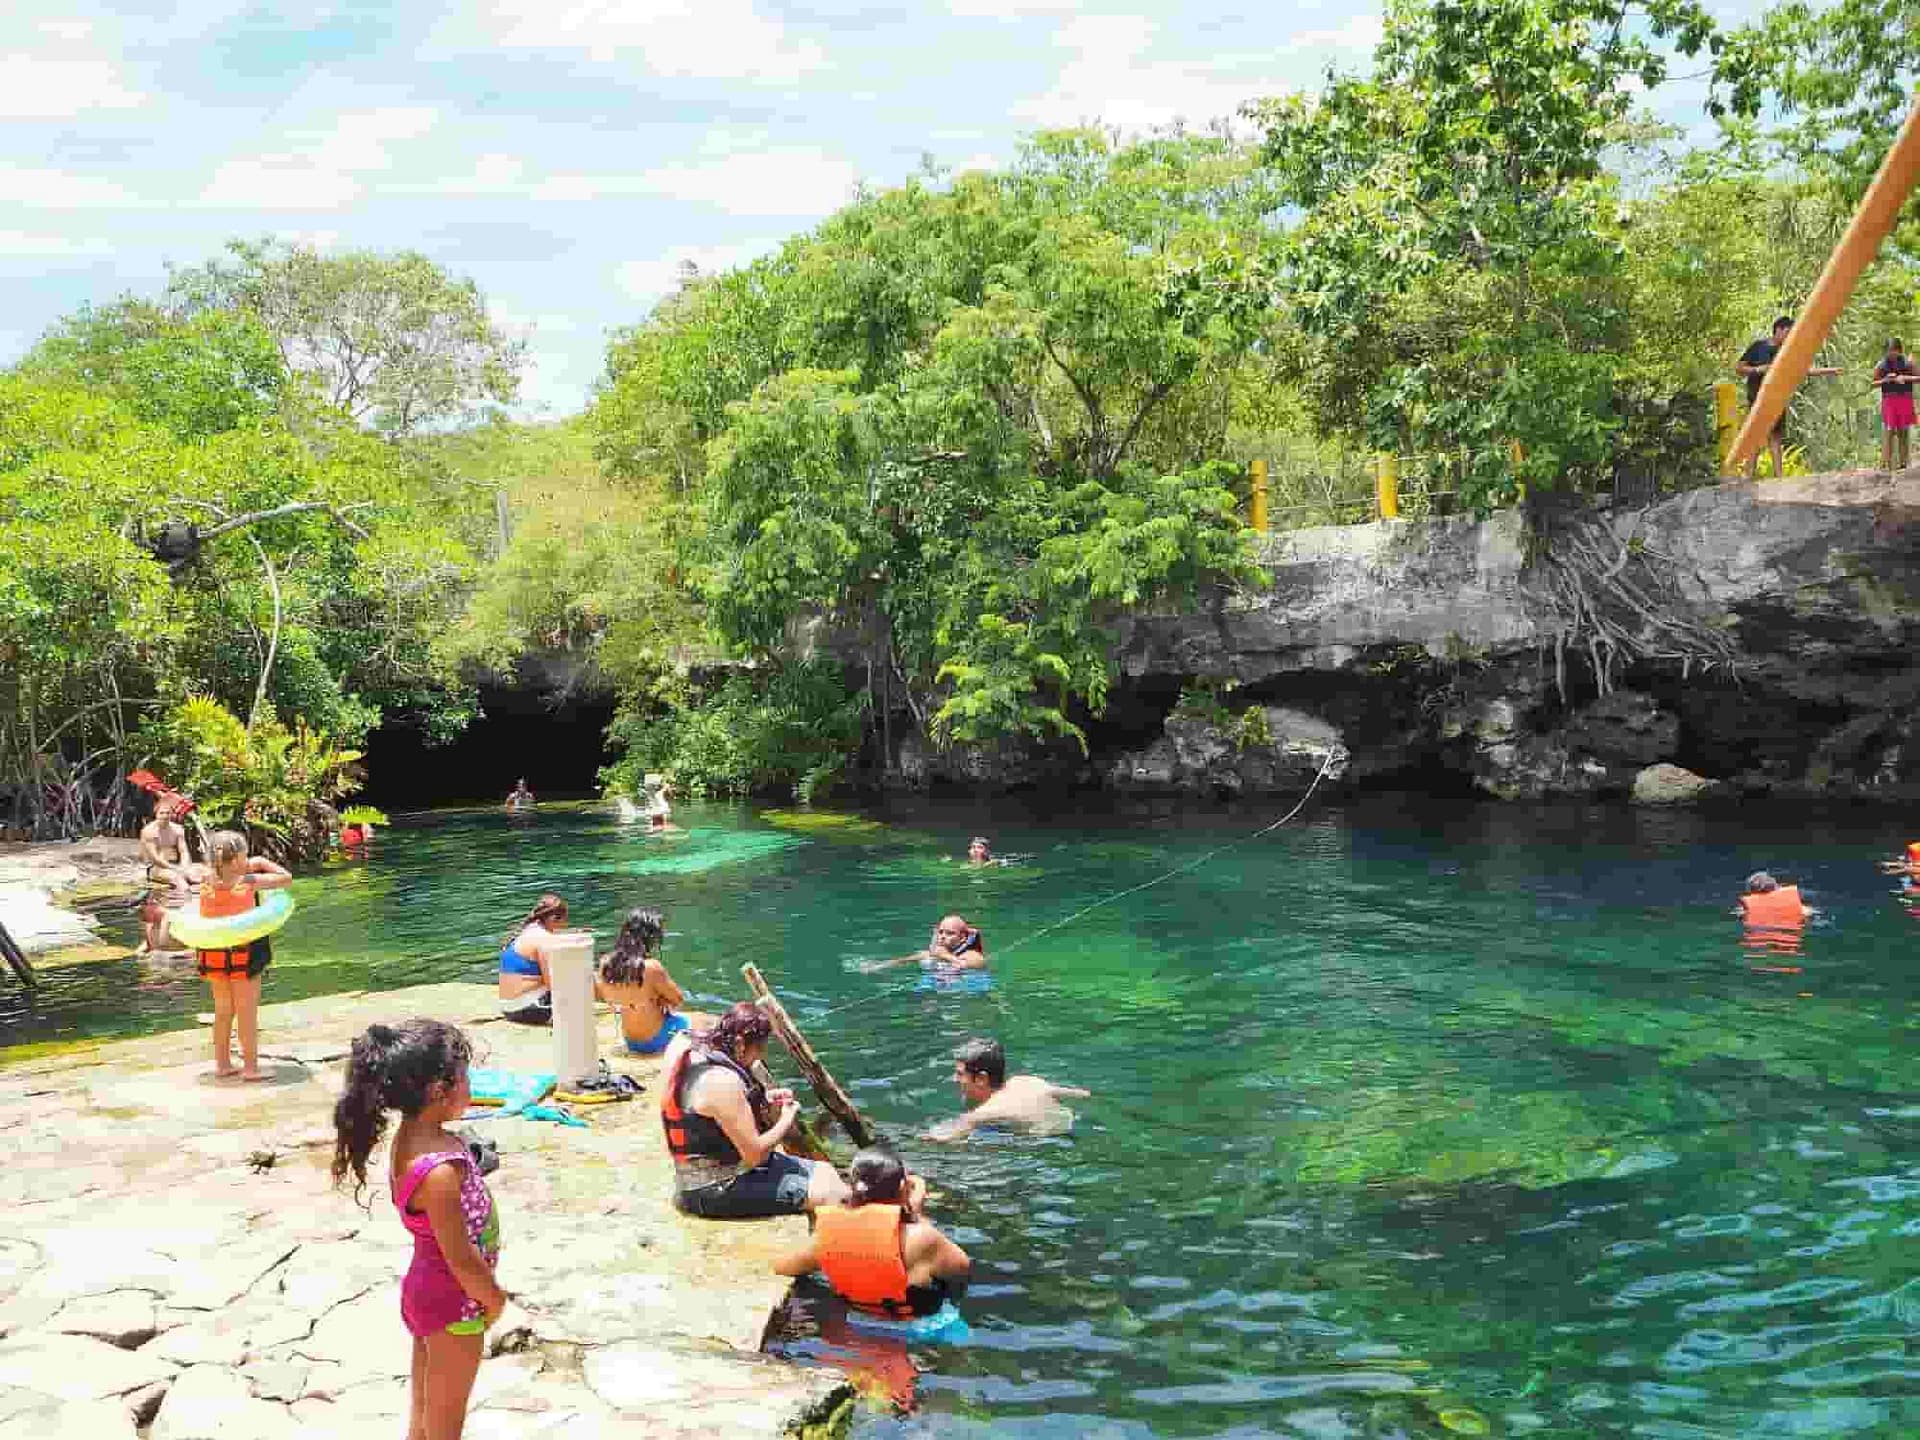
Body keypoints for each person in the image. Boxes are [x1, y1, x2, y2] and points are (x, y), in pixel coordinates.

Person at [332, 1019, 506, 1440]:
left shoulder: (414, 1138)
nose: (470, 1084)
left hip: (428, 1294)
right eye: (465, 1076)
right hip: (454, 1303)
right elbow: (461, 1259)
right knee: (446, 1425)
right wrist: (494, 1300)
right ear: (437, 1091)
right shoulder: (440, 1172)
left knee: (425, 1416)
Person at [660, 1001, 850, 1218]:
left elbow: (709, 1109)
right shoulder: (722, 1081)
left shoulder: (689, 1048)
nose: (760, 1057)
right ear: (740, 1044)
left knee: (825, 1170)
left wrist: (762, 1099)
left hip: (708, 1173)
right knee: (834, 1194)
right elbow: (755, 1156)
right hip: (712, 1190)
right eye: (759, 1049)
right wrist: (786, 1119)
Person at [773, 1146, 971, 1318]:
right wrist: (918, 1215)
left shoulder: (829, 1236)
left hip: (859, 1323)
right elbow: (961, 1270)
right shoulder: (923, 1238)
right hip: (922, 1328)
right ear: (903, 1188)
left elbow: (783, 1267)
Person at [191, 831, 291, 1082]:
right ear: (237, 859)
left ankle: (223, 1065)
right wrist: (260, 862)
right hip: (243, 951)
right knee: (247, 1011)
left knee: (223, 1010)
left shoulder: (205, 879)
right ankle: (250, 1068)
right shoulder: (247, 880)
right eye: (246, 854)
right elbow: (286, 879)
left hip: (213, 951)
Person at [1737, 316, 1843, 480]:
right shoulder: (1758, 347)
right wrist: (1758, 370)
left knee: (1775, 437)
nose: (1789, 336)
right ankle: (1748, 475)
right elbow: (1739, 368)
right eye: (1787, 332)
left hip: (1777, 399)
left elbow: (1804, 370)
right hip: (1757, 398)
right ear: (1778, 329)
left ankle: (1779, 477)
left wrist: (1829, 371)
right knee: (1755, 436)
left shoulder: (1787, 352)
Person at [927, 1038, 1089, 1142]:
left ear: (981, 1079)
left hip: (1051, 1141)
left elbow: (942, 1138)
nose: (955, 1079)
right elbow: (1081, 1095)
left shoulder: (985, 1113)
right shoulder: (1025, 1081)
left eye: (960, 1074)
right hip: (1070, 1125)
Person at [597, 906, 689, 1055]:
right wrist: (659, 998)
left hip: (631, 1041)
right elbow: (678, 1000)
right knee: (693, 1023)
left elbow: (609, 997)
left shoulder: (605, 964)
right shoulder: (651, 967)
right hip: (656, 1040)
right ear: (649, 937)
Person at [137, 791, 202, 954]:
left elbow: (184, 851)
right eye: (161, 813)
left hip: (176, 865)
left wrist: (185, 867)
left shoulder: (178, 830)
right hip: (157, 868)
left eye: (167, 813)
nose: (165, 816)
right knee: (179, 880)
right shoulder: (149, 831)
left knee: (199, 874)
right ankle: (188, 905)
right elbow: (155, 857)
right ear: (156, 814)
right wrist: (176, 870)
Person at [498, 893, 568, 1026]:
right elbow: (553, 984)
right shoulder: (544, 939)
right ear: (553, 918)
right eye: (564, 921)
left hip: (508, 1007)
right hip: (526, 1010)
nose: (564, 926)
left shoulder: (526, 931)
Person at [867, 914, 988, 974]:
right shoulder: (929, 954)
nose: (943, 936)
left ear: (962, 938)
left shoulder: (972, 954)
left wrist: (945, 955)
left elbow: (968, 965)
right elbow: (902, 961)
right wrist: (878, 966)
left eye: (950, 933)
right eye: (941, 932)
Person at [1871, 337, 1916, 473]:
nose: (1891, 354)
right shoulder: (1881, 365)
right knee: (1889, 430)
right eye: (1889, 351)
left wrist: (1905, 378)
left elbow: (1918, 377)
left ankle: (1904, 463)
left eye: (1894, 351)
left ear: (1899, 351)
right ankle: (1886, 464)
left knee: (1903, 430)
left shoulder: (1908, 363)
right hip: (1889, 400)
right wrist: (1886, 380)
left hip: (1904, 398)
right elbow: (1873, 383)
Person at [1738, 871, 1811, 927]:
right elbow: (1807, 914)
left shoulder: (1746, 908)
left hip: (1763, 933)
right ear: (1775, 886)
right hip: (1791, 930)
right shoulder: (1796, 903)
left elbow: (1743, 920)